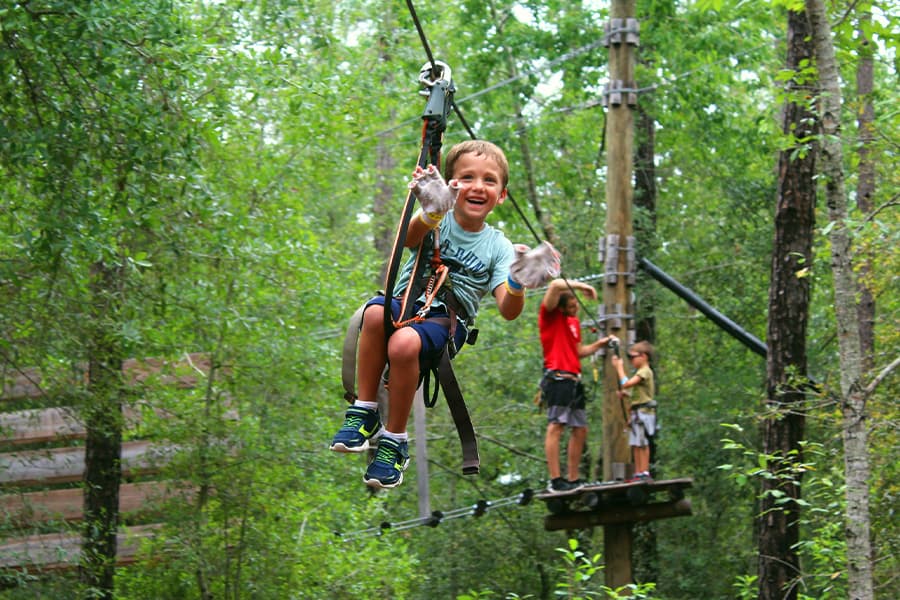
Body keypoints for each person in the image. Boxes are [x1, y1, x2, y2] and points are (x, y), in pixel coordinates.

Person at [330, 140, 560, 489]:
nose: (478, 186)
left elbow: (508, 309)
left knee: (404, 344)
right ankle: (364, 410)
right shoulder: (439, 219)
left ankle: (394, 440)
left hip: (445, 321)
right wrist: (432, 212)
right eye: (467, 178)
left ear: (501, 195)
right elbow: (408, 240)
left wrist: (517, 281)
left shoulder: (498, 247)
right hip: (408, 300)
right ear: (451, 185)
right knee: (374, 314)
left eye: (489, 180)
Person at [538, 278, 618, 493]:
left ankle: (573, 478)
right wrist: (583, 287)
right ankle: (556, 479)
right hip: (558, 379)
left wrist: (601, 343)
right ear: (561, 307)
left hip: (574, 380)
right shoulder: (549, 316)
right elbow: (555, 285)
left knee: (580, 429)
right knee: (556, 425)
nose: (576, 309)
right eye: (572, 306)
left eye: (576, 305)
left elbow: (579, 352)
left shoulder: (573, 323)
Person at [611, 341, 656, 480]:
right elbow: (637, 393)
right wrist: (625, 395)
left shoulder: (644, 371)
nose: (631, 361)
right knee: (636, 444)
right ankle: (638, 472)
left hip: (644, 413)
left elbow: (626, 383)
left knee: (642, 443)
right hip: (637, 412)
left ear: (643, 356)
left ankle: (644, 472)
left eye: (633, 357)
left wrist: (619, 367)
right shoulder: (640, 372)